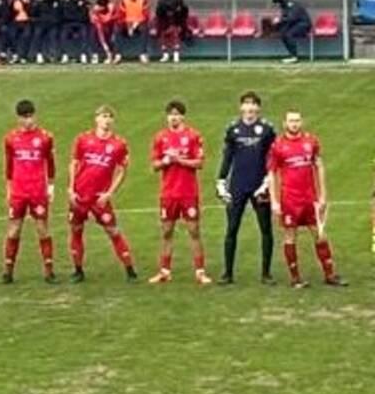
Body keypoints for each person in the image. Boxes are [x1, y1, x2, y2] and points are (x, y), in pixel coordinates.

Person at [267, 110, 347, 288]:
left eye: (297, 120)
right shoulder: (278, 146)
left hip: (310, 198)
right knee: (290, 236)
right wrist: (274, 201)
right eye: (291, 121)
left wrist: (323, 195)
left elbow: (319, 166)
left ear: (301, 122)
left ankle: (330, 274)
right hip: (289, 200)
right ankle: (295, 278)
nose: (294, 124)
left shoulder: (311, 142)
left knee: (319, 234)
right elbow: (271, 173)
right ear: (284, 123)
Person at [67, 106, 138, 282]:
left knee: (113, 231)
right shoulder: (83, 139)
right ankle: (78, 270)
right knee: (76, 230)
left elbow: (122, 170)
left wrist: (109, 193)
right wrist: (71, 188)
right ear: (96, 119)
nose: (106, 120)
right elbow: (74, 163)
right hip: (80, 195)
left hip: (100, 197)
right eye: (103, 116)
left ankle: (130, 270)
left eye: (109, 117)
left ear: (112, 121)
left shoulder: (119, 144)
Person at [216, 91, 277, 285]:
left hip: (260, 185)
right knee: (231, 229)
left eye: (253, 104)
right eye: (246, 104)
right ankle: (228, 273)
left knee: (265, 229)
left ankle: (266, 273)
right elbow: (227, 157)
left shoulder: (267, 130)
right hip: (238, 185)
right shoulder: (233, 129)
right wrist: (221, 180)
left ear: (258, 108)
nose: (249, 108)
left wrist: (268, 181)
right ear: (241, 107)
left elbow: (272, 158)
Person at [148, 101, 213, 285]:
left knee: (194, 231)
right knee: (166, 232)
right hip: (168, 193)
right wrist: (166, 161)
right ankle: (164, 271)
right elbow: (154, 165)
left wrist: (179, 160)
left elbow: (199, 163)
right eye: (171, 114)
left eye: (177, 114)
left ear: (183, 116)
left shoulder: (193, 136)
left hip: (188, 192)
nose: (173, 117)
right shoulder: (160, 137)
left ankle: (200, 272)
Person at [2, 99, 57, 284]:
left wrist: (51, 186)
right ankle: (8, 271)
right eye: (25, 117)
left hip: (38, 191)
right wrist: (9, 189)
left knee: (42, 228)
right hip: (19, 191)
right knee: (14, 229)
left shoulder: (45, 137)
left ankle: (49, 271)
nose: (28, 120)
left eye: (31, 116)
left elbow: (51, 163)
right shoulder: (11, 138)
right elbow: (9, 166)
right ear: (18, 118)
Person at [115, 0, 150, 64]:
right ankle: (118, 55)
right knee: (117, 30)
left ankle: (142, 54)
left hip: (139, 22)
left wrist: (135, 24)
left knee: (144, 29)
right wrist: (128, 26)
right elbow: (121, 15)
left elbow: (146, 15)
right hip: (127, 23)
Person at [272, 0, 312, 64]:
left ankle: (295, 57)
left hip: (304, 24)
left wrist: (280, 20)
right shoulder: (284, 5)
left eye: (276, 3)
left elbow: (292, 18)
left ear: (279, 1)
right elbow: (286, 18)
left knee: (289, 35)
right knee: (283, 34)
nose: (276, 5)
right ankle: (292, 55)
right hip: (295, 24)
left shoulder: (291, 4)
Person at [155, 0, 189, 64]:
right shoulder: (160, 9)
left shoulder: (181, 7)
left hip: (176, 21)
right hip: (164, 22)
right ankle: (165, 55)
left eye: (171, 11)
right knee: (163, 38)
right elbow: (159, 21)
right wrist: (162, 30)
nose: (170, 13)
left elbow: (184, 17)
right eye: (168, 11)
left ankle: (176, 55)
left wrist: (181, 27)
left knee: (175, 36)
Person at [59, 0, 91, 64]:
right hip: (69, 23)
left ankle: (83, 54)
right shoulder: (67, 3)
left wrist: (77, 13)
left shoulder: (84, 3)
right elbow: (66, 15)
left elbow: (85, 16)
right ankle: (65, 54)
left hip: (81, 23)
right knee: (63, 35)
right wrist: (77, 13)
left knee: (84, 34)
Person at [32, 0, 62, 64]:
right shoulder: (41, 3)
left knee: (53, 36)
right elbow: (34, 13)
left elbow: (61, 13)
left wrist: (57, 21)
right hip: (42, 23)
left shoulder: (58, 2)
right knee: (37, 34)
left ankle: (53, 55)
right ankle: (38, 54)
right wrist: (38, 20)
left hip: (53, 24)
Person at [8, 0, 34, 64]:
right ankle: (14, 54)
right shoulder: (15, 1)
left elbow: (31, 12)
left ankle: (23, 56)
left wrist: (26, 3)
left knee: (26, 35)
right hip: (15, 22)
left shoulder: (31, 1)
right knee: (11, 35)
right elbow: (10, 12)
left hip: (26, 22)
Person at [90, 0, 116, 64]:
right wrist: (104, 43)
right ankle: (95, 55)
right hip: (100, 26)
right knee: (94, 34)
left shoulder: (111, 8)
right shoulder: (95, 12)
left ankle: (111, 56)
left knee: (111, 39)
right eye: (99, 7)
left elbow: (108, 19)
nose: (100, 8)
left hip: (111, 25)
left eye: (102, 7)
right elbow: (99, 30)